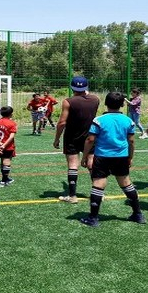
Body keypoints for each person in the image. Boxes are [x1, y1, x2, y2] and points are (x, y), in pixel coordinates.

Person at [79, 92, 144, 227]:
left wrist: (85, 157)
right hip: (121, 157)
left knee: (98, 183)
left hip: (103, 156)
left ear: (106, 103)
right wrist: (130, 157)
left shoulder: (99, 120)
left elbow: (90, 139)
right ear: (122, 104)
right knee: (126, 183)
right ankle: (138, 214)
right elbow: (131, 141)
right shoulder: (128, 120)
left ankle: (93, 218)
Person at [53, 76, 100, 204]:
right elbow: (87, 95)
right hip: (90, 136)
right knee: (91, 163)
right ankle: (98, 193)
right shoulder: (96, 99)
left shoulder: (68, 101)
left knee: (73, 165)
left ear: (72, 87)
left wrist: (56, 139)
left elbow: (62, 122)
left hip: (72, 137)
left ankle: (72, 196)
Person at [0, 106, 18, 187]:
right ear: (11, 114)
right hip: (7, 146)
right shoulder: (12, 123)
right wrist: (4, 145)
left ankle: (5, 178)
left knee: (2, 161)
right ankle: (4, 180)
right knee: (6, 161)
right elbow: (11, 136)